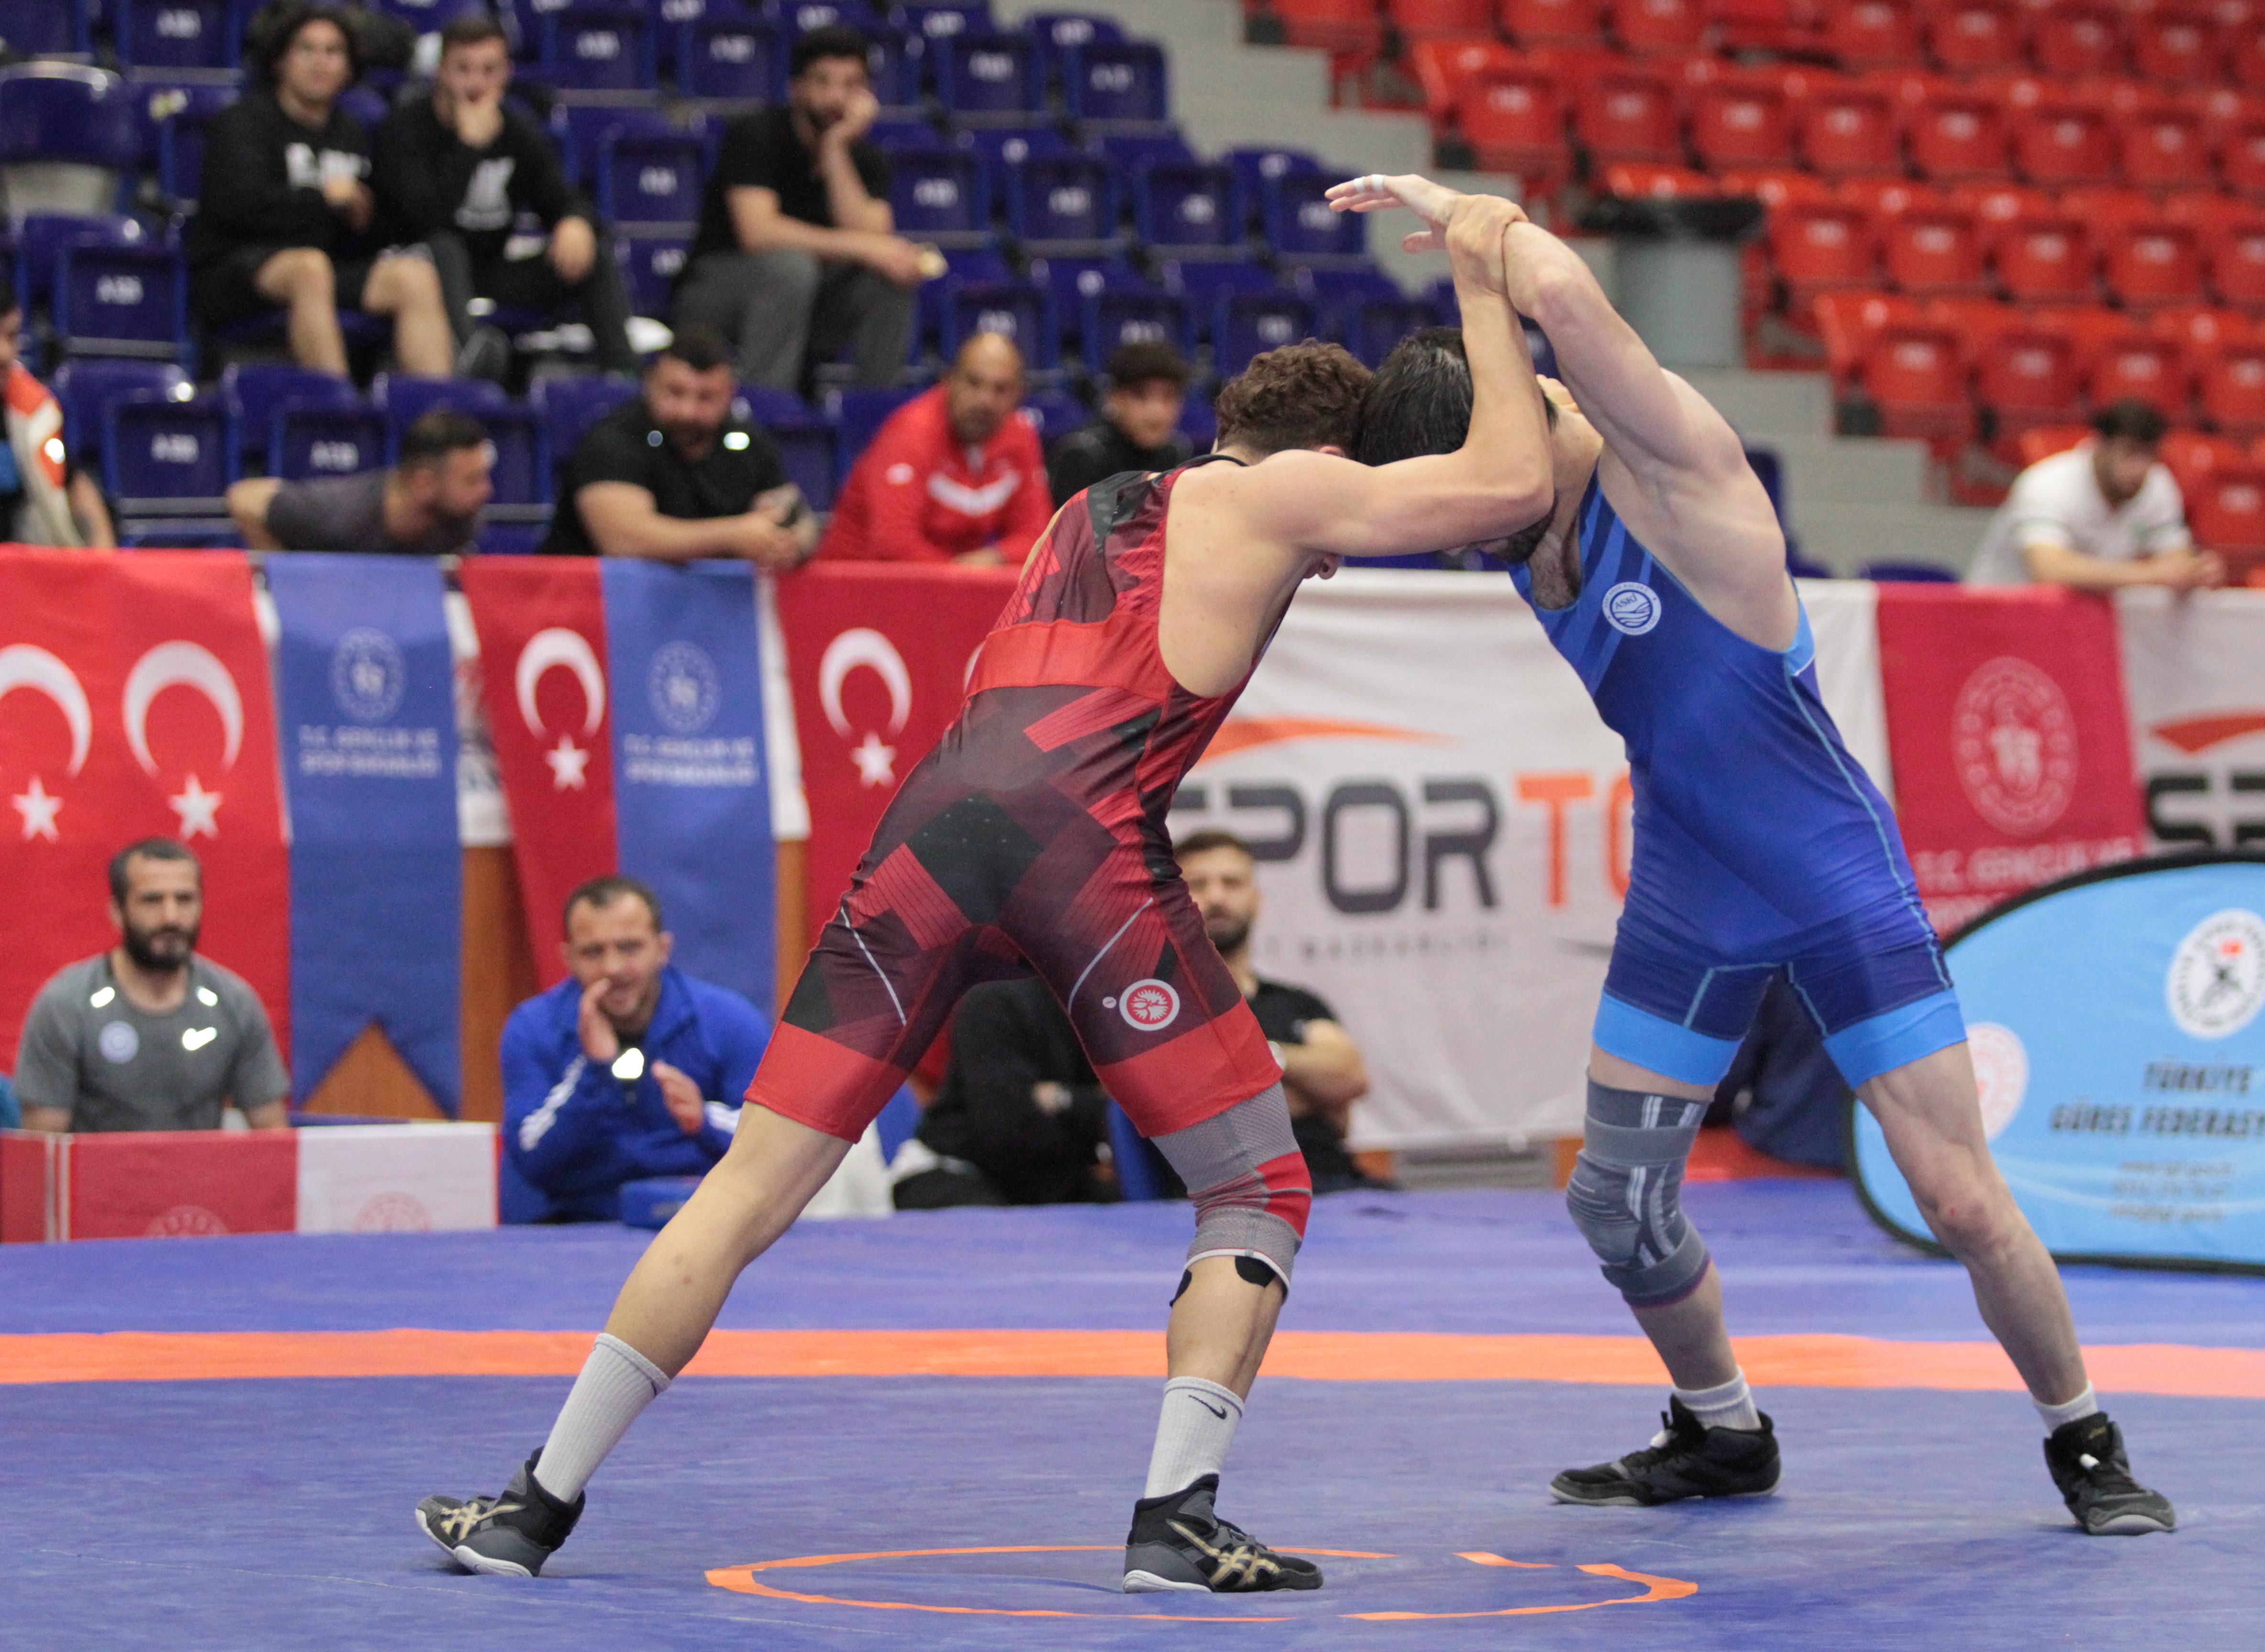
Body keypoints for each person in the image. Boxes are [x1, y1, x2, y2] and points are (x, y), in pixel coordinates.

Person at [415, 195, 1551, 1592]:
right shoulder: (1274, 492)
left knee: (750, 1184)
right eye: (1333, 517)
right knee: (1257, 1183)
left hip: (930, 833)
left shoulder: (1085, 508)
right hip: (1079, 849)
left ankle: (531, 1508)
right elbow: (1508, 485)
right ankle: (1174, 1518)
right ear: (1319, 461)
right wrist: (1485, 273)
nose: (1324, 556)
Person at [1335, 172, 2175, 1537]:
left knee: (1958, 1197)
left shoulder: (1672, 468)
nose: (1485, 521)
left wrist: (1482, 223)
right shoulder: (1514, 501)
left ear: (1538, 412)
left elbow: (1573, 306)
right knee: (1614, 1201)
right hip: (1689, 882)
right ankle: (1722, 1429)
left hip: (1827, 872)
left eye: (1491, 490)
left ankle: (2084, 1438)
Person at [187, 1, 454, 379]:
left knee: (415, 276)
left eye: (333, 52)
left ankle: (438, 410)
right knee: (310, 268)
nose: (320, 62)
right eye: (306, 49)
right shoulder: (243, 122)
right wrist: (321, 199)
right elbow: (236, 207)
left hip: (325, 266)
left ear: (348, 68)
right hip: (238, 268)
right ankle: (337, 407)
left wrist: (366, 219)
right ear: (280, 61)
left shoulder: (353, 132)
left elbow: (366, 233)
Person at [371, 12, 636, 380]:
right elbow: (425, 218)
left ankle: (626, 377)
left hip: (489, 271)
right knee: (444, 244)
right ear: (441, 72)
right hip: (418, 271)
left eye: (489, 70)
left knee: (593, 254)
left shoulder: (516, 129)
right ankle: (472, 358)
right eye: (463, 69)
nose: (476, 83)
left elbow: (561, 195)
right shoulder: (405, 128)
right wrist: (468, 148)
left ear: (506, 74)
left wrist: (574, 221)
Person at [499, 877, 773, 1225]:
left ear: (662, 949)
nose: (613, 968)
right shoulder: (532, 1028)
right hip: (569, 1224)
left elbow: (773, 1149)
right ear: (568, 958)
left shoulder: (729, 1022)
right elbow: (530, 1156)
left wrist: (703, 1120)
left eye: (629, 948)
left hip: (699, 1224)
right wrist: (594, 1072)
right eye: (593, 952)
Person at [671, 25, 928, 391]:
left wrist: (836, 149)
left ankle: (875, 408)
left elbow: (875, 238)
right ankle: (770, 408)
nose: (837, 97)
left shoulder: (866, 156)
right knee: (792, 266)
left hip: (810, 298)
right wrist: (864, 248)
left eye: (851, 85)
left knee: (891, 274)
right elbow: (758, 233)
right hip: (719, 289)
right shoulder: (755, 133)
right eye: (823, 82)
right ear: (797, 88)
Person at [12, 839, 289, 1133]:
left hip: (197, 1166)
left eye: (184, 900)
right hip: (98, 1167)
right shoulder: (66, 1005)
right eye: (152, 901)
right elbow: (43, 1148)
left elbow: (272, 1133)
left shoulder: (234, 1003)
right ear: (117, 912)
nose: (171, 917)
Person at [1174, 831, 1379, 1195]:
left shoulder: (1296, 1003)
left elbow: (1351, 1076)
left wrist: (1264, 1058)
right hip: (1230, 1199)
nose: (1217, 897)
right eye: (1199, 885)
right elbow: (1195, 1109)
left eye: (1232, 883)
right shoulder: (1161, 1009)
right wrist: (1313, 1094)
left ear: (1257, 899)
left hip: (1340, 1189)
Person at [537, 327, 813, 564]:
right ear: (651, 383)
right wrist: (735, 535)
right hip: (583, 602)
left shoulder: (745, 440)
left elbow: (796, 515)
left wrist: (791, 540)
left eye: (705, 397)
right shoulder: (613, 440)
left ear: (729, 395)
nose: (687, 412)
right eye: (675, 392)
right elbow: (624, 540)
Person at [817, 331, 1050, 565]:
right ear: (948, 381)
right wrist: (960, 577)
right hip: (859, 580)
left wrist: (994, 558)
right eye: (973, 383)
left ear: (1019, 394)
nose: (985, 401)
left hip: (946, 578)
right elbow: (893, 544)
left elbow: (1039, 536)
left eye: (1001, 389)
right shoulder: (911, 433)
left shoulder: (1020, 436)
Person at [893, 978, 1116, 1209]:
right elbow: (1006, 1126)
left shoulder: (1109, 1016)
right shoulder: (993, 1000)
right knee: (999, 1224)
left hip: (1046, 1181)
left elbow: (1116, 1114)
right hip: (952, 1169)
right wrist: (1087, 1108)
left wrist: (1062, 1099)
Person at [1967, 401, 2222, 591]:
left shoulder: (2157, 483)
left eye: (2149, 456)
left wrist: (2195, 572)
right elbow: (2049, 570)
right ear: (2100, 446)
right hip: (1996, 614)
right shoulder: (2045, 484)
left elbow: (2174, 560)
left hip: (2074, 621)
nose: (2141, 469)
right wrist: (2153, 574)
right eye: (2130, 453)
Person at [226, 409, 493, 555]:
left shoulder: (462, 520)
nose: (487, 491)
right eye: (472, 481)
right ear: (423, 484)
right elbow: (245, 499)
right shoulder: (337, 514)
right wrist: (290, 578)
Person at [0, 293, 113, 549]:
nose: (4, 353)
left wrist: (103, 564)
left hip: (24, 566)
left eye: (11, 337)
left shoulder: (32, 412)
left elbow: (74, 484)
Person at [1046, 340, 1196, 503]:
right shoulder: (1084, 454)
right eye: (1140, 396)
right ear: (1114, 398)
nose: (1156, 411)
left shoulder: (1177, 453)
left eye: (1169, 397)